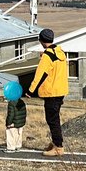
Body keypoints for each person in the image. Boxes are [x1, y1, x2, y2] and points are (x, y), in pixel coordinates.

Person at [29, 28, 68, 156]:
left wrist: (31, 90)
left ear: (41, 40)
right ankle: (56, 143)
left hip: (51, 92)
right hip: (60, 90)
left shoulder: (47, 56)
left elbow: (40, 75)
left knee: (52, 120)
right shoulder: (59, 52)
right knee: (54, 118)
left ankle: (58, 147)